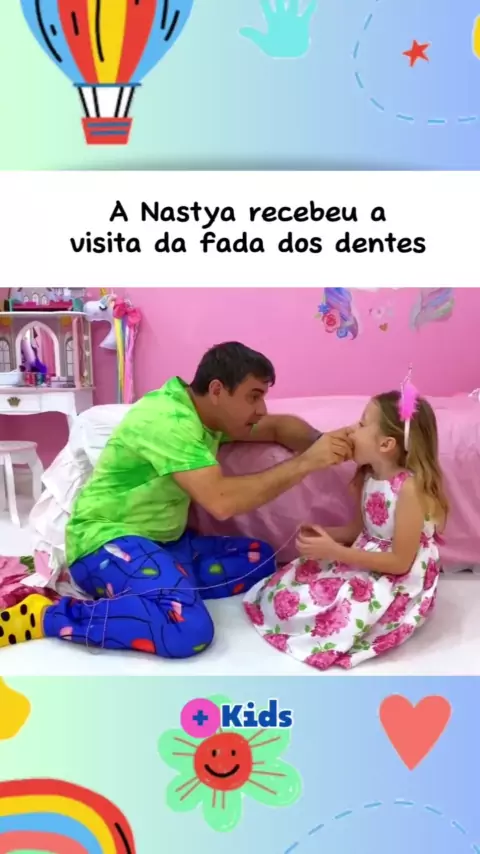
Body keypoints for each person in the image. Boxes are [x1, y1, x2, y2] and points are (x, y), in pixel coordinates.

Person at [0, 342, 352, 658]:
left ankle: (153, 588)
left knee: (260, 558)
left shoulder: (208, 417)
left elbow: (279, 426)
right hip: (106, 540)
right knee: (188, 630)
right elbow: (222, 502)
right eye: (253, 396)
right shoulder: (169, 421)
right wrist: (307, 462)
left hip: (165, 543)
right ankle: (47, 615)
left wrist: (326, 443)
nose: (261, 408)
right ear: (217, 390)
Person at [244, 389, 448, 671]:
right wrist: (326, 536)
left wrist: (335, 551)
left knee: (346, 604)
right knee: (297, 579)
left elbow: (401, 562)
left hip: (399, 576)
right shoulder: (370, 476)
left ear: (386, 444)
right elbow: (361, 530)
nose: (352, 429)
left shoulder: (409, 489)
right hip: (369, 557)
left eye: (362, 424)